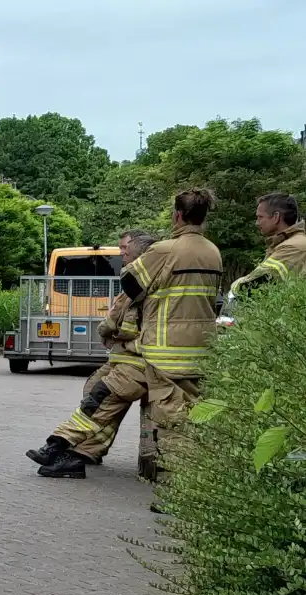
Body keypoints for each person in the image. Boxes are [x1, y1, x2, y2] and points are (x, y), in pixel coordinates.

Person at [120, 188, 223, 511]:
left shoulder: (165, 250)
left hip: (166, 350)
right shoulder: (213, 251)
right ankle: (201, 483)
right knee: (197, 418)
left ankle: (177, 494)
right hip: (203, 348)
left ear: (177, 215)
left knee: (170, 421)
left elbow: (130, 284)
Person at [27, 230, 156, 479]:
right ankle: (84, 453)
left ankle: (58, 446)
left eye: (125, 250)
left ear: (141, 252)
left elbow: (124, 324)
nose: (122, 254)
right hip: (126, 358)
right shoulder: (137, 280)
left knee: (98, 401)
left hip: (138, 361)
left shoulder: (143, 283)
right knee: (96, 395)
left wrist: (111, 330)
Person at [230, 192, 306, 294]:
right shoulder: (286, 243)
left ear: (276, 217)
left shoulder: (293, 247)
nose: (257, 223)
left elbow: (253, 284)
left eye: (260, 217)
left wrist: (234, 287)